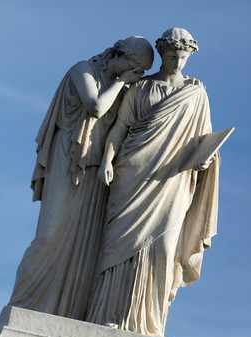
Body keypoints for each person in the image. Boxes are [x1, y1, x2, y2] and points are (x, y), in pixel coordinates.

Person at [9, 37, 154, 318]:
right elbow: (96, 107)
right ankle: (21, 305)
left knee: (83, 248)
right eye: (135, 69)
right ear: (120, 56)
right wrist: (122, 81)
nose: (137, 77)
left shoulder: (124, 89)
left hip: (96, 169)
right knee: (49, 237)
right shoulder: (83, 70)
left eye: (141, 73)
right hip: (68, 159)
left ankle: (65, 312)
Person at [88, 28, 220, 336]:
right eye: (171, 55)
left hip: (172, 181)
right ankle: (106, 315)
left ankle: (149, 324)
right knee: (118, 247)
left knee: (162, 248)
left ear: (190, 56)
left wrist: (205, 160)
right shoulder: (141, 87)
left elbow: (205, 140)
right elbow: (120, 128)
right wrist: (107, 160)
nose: (176, 61)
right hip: (131, 174)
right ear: (162, 54)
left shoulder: (196, 93)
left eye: (182, 56)